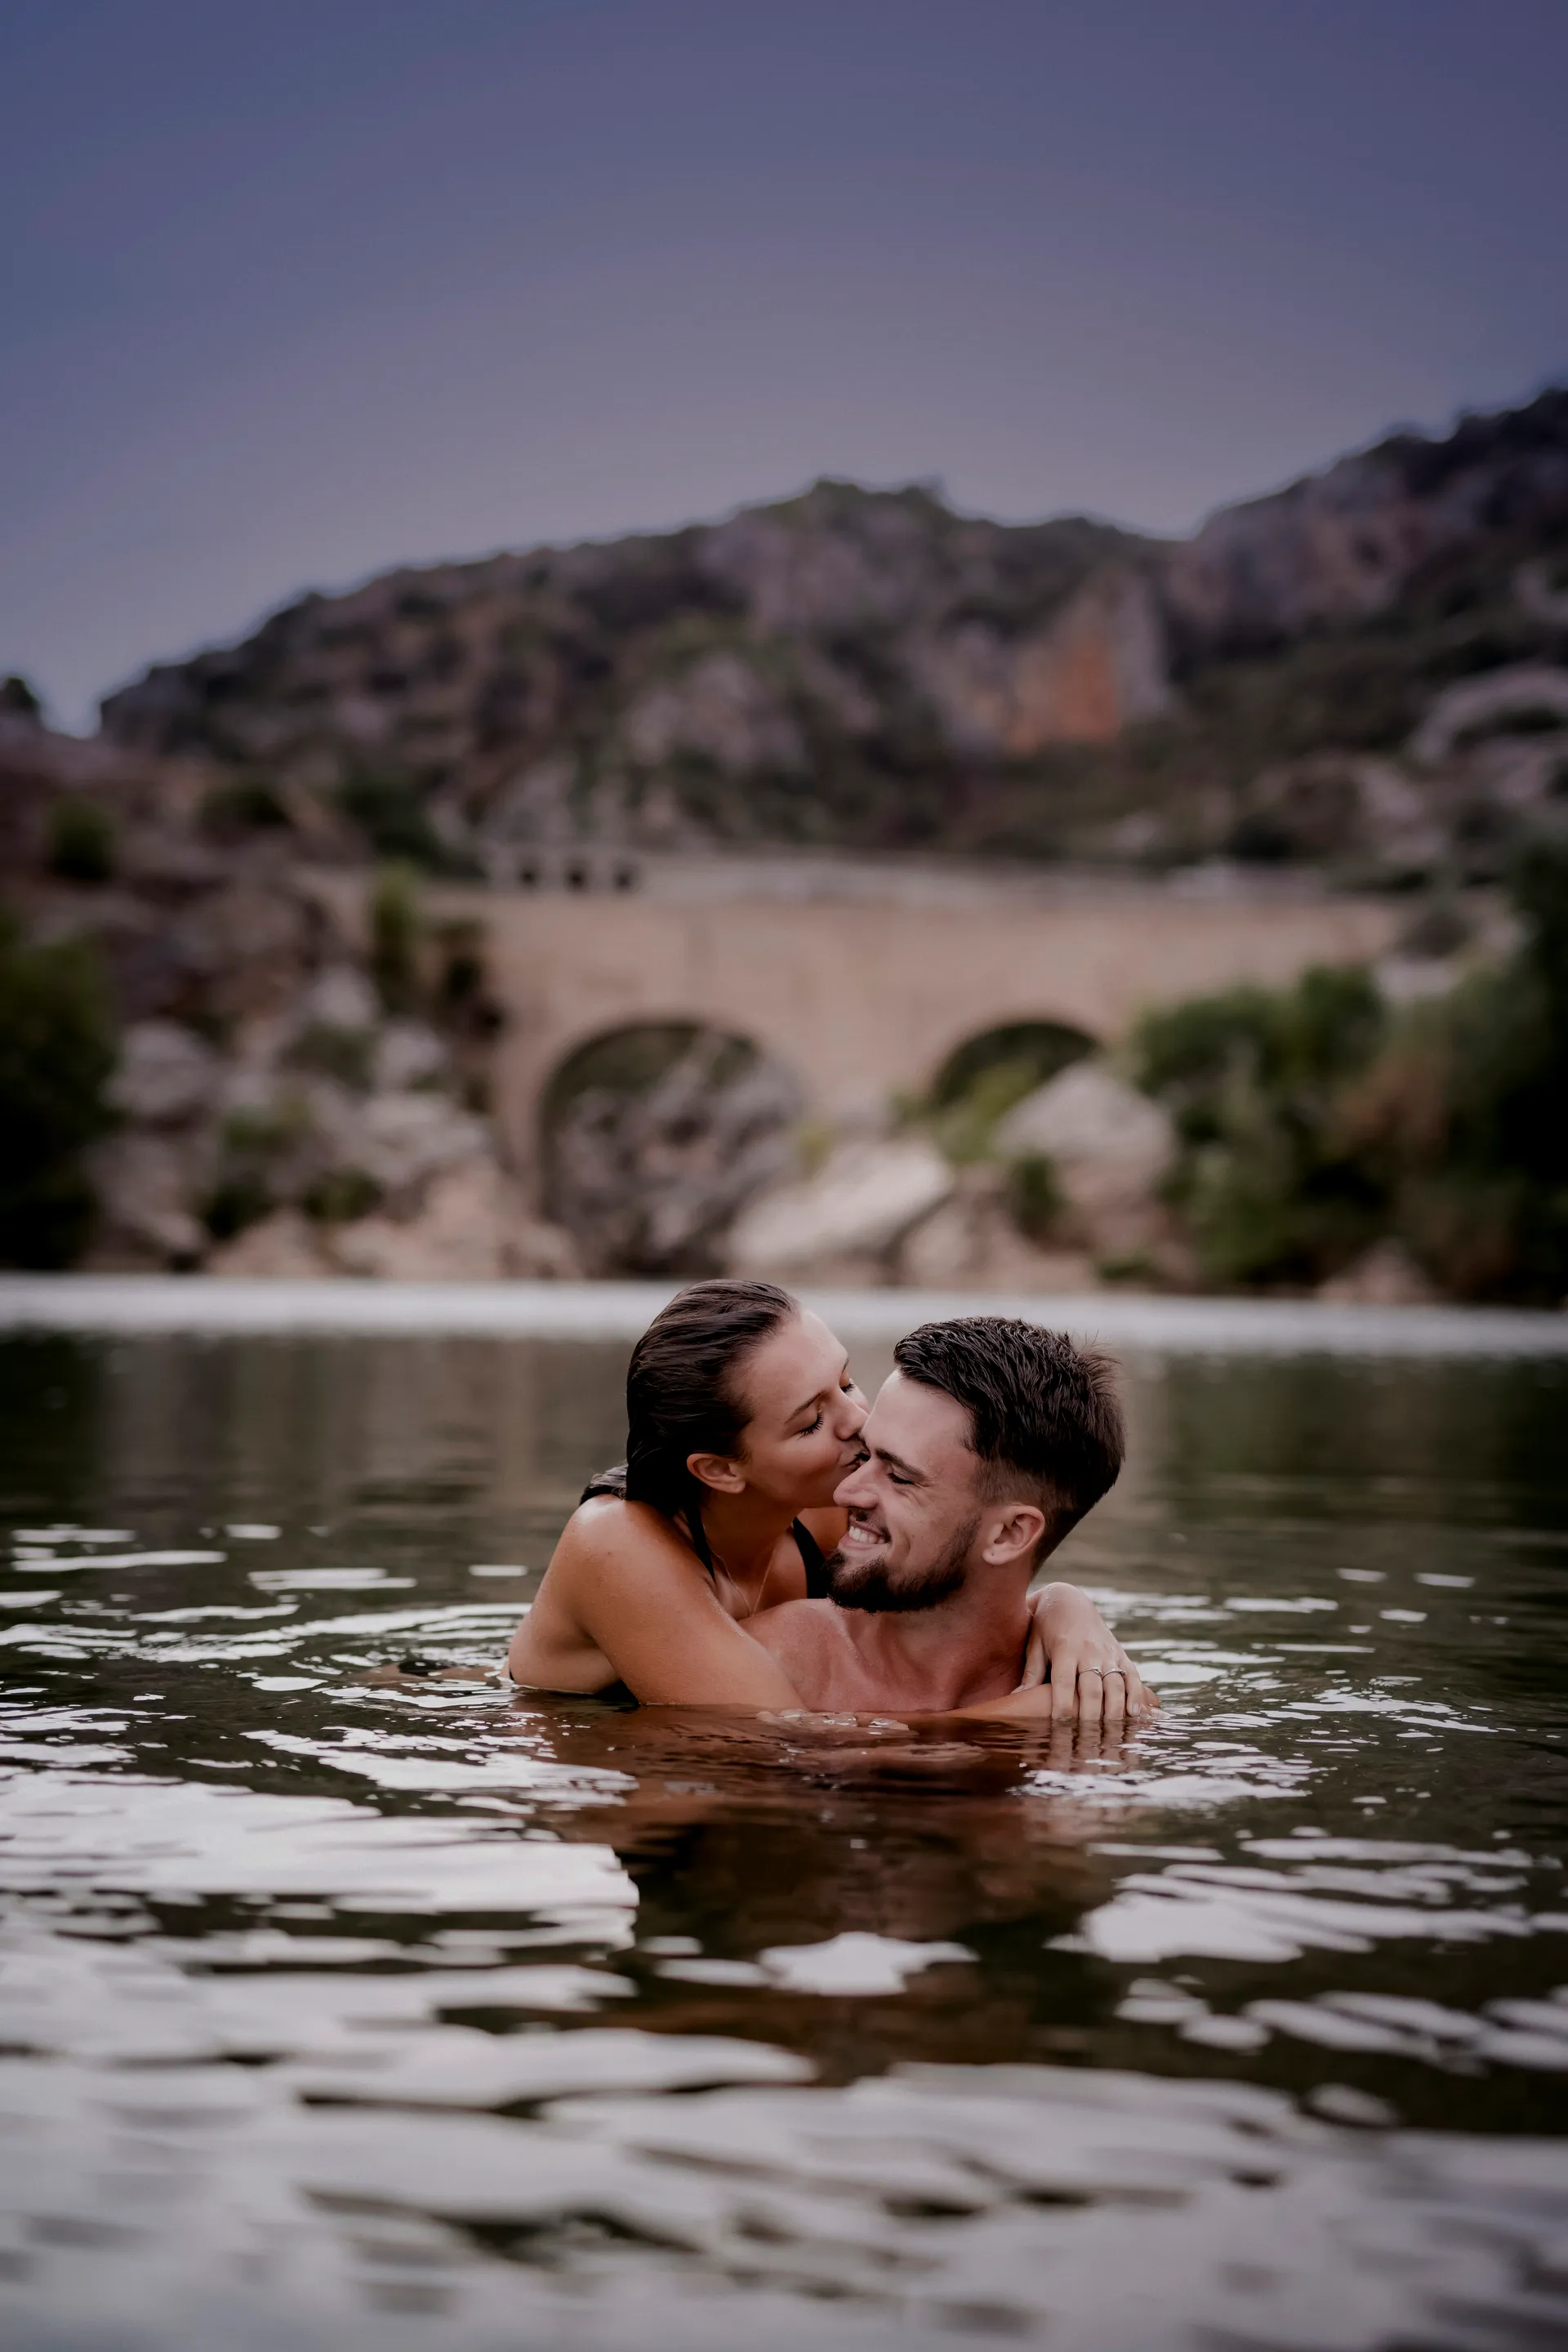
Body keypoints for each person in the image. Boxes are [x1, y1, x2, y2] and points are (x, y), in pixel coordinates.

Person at [507, 1280, 1150, 1721]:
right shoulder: (618, 1543)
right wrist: (1034, 1715)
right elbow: (782, 1739)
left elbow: (965, 1563)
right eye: (811, 1421)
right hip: (538, 1718)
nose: (860, 1421)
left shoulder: (823, 1500)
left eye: (845, 1380)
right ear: (720, 1470)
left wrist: (1066, 1606)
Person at [747, 1315, 1138, 1721]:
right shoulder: (770, 1662)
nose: (846, 1492)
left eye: (899, 1477)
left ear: (1008, 1534)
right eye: (866, 1453)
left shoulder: (1098, 1701)